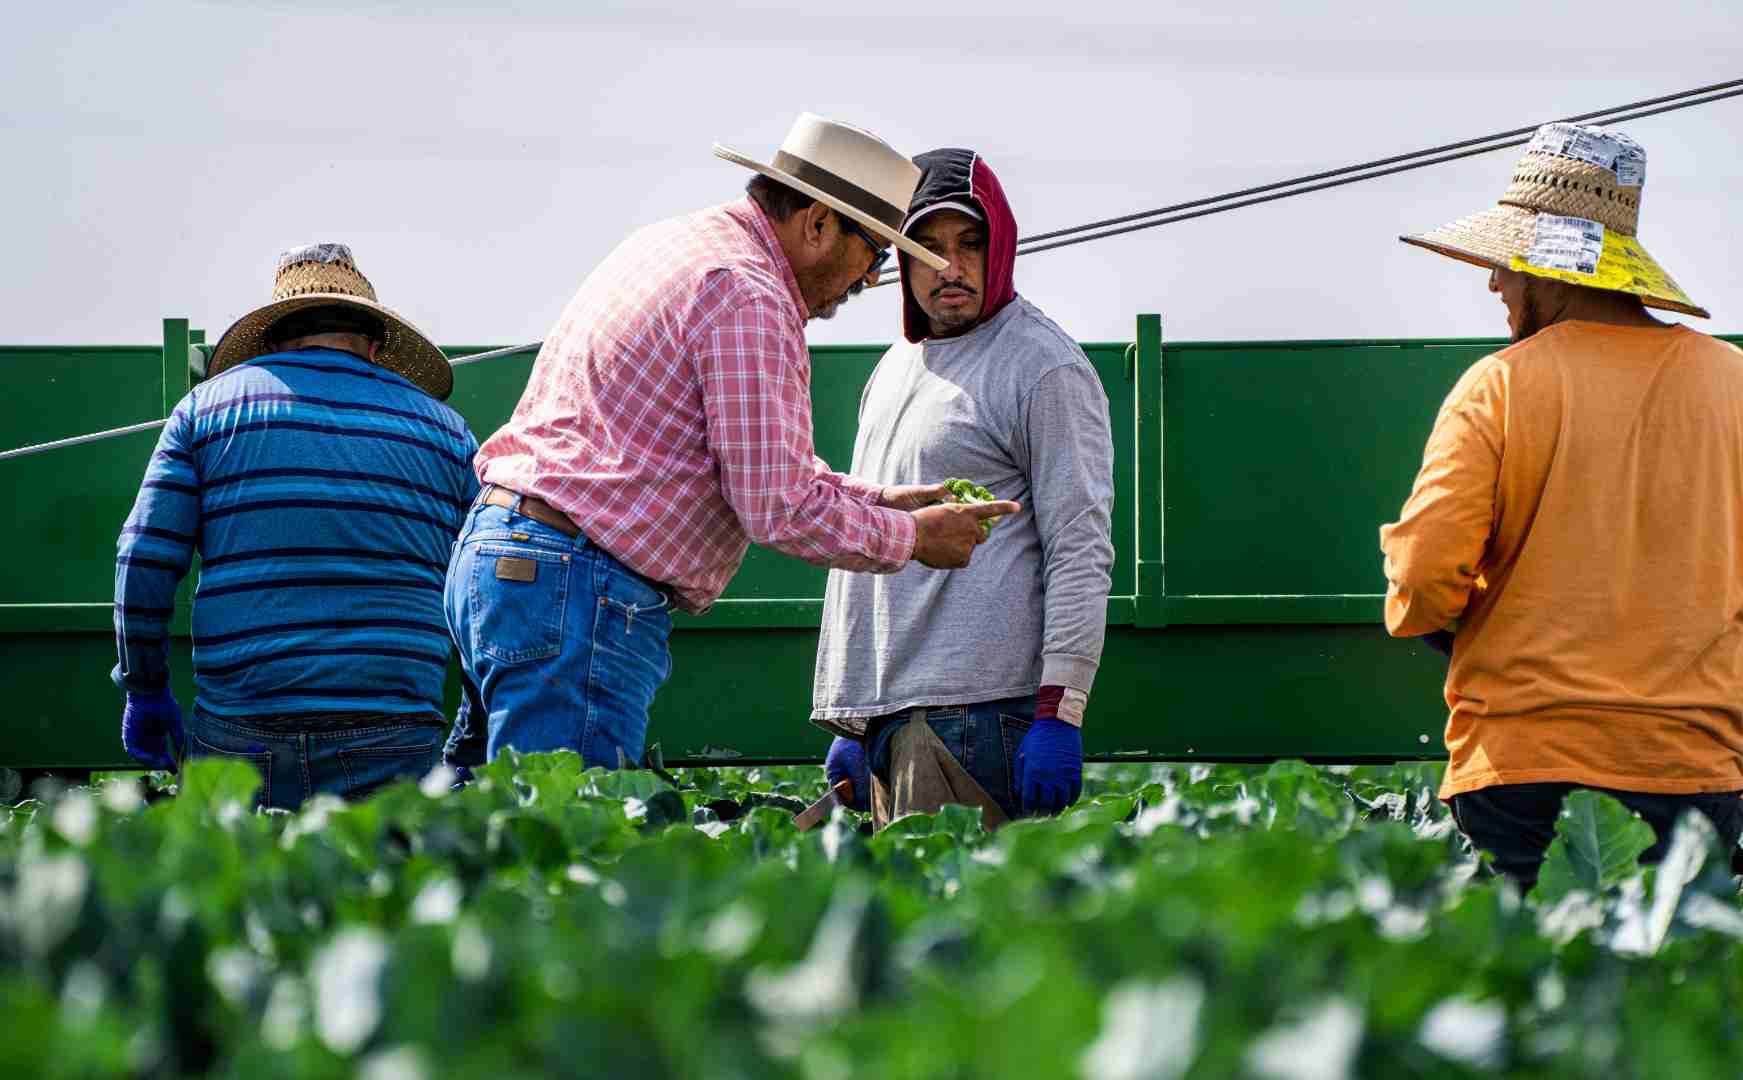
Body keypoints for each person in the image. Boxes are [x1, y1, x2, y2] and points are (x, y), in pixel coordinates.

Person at [444, 115, 1017, 771]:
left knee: (484, 830)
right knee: (563, 840)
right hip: (577, 586)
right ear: (819, 224)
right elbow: (776, 507)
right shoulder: (750, 293)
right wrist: (916, 539)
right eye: (874, 252)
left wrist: (886, 499)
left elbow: (763, 468)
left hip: (503, 556)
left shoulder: (672, 244)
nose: (869, 279)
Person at [1383, 123, 1743, 892]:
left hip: (1523, 775)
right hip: (1694, 774)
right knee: (1677, 1005)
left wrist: (1470, 625)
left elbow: (1425, 576)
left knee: (1540, 1006)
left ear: (1552, 270)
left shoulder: (1497, 387)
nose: (1494, 285)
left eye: (1507, 266)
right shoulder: (1737, 382)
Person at [813, 148, 1115, 828]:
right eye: (927, 245)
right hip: (899, 721)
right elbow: (871, 551)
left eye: (971, 244)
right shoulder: (893, 369)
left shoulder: (1042, 364)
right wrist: (859, 716)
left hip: (981, 718)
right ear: (899, 256)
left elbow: (1080, 547)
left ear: (1001, 246)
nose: (951, 266)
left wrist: (1059, 710)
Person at [114, 243, 478, 808]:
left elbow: (143, 559)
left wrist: (146, 689)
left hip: (241, 728)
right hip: (395, 729)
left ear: (276, 340)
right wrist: (471, 721)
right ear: (376, 344)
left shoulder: (205, 412)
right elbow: (480, 591)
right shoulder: (448, 433)